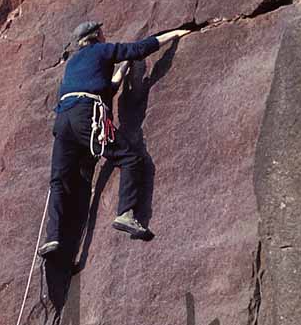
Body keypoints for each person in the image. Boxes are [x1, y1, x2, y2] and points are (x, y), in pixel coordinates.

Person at [38, 20, 191, 254]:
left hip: (63, 120)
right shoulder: (100, 50)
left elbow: (105, 88)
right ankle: (125, 213)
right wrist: (173, 35)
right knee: (129, 157)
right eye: (101, 32)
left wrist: (123, 69)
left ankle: (53, 237)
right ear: (96, 35)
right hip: (85, 114)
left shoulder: (72, 64)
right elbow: (138, 49)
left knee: (59, 180)